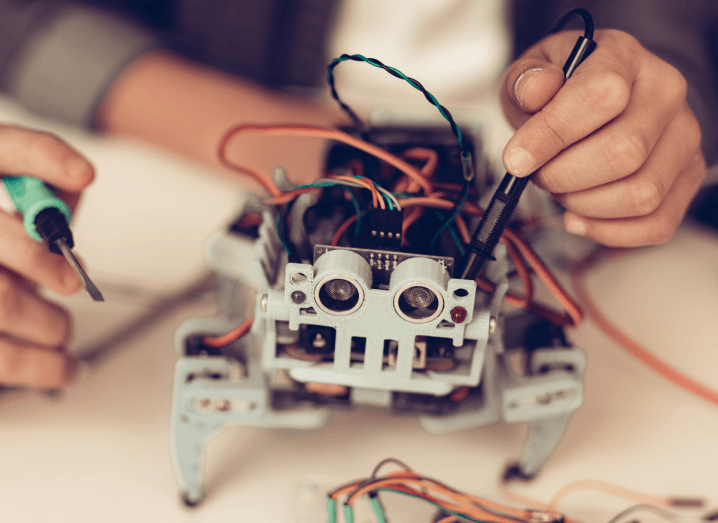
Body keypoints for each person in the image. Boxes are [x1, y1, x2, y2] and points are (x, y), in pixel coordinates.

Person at [0, 0, 713, 389]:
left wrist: (649, 104)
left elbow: (666, 29)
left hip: (539, 170)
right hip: (212, 136)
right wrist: (261, 134)